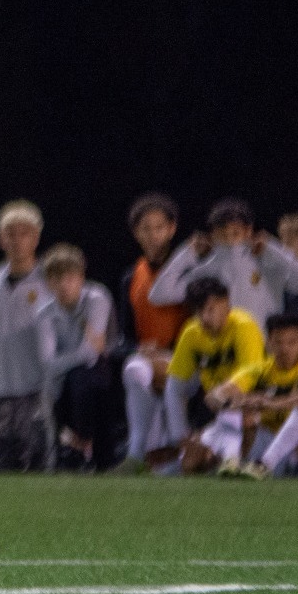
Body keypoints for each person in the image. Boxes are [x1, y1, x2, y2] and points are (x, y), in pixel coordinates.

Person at [199, 313, 298, 478]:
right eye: (278, 342)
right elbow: (214, 396)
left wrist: (274, 403)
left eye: (291, 342)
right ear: (269, 342)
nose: (284, 348)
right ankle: (231, 462)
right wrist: (238, 403)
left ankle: (265, 465)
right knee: (229, 406)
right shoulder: (259, 369)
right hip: (269, 440)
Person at [0, 201, 52, 473]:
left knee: (36, 470)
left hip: (35, 393)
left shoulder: (48, 280)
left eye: (24, 232)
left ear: (37, 237)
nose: (17, 240)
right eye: (10, 233)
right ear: (0, 239)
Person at [148, 197, 298, 321]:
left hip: (262, 353)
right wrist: (187, 253)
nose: (230, 235)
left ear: (249, 229)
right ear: (213, 232)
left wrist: (273, 249)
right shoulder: (206, 270)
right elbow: (158, 295)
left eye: (237, 229)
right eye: (223, 230)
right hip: (222, 357)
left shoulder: (268, 263)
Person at [163, 277, 266, 475]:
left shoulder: (243, 324)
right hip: (221, 417)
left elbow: (253, 370)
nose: (204, 318)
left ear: (226, 303)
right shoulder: (192, 333)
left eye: (210, 309)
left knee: (234, 406)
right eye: (198, 311)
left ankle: (233, 461)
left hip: (259, 415)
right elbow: (175, 386)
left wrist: (225, 389)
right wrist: (181, 436)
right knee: (190, 464)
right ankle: (227, 462)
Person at [115, 193, 188, 470]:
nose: (153, 235)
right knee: (133, 370)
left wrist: (172, 354)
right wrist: (139, 350)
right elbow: (125, 337)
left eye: (159, 227)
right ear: (136, 233)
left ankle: (178, 447)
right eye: (146, 228)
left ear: (172, 229)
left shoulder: (188, 270)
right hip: (147, 357)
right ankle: (134, 454)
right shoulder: (130, 276)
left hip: (185, 358)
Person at [35, 244, 120, 471]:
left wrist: (59, 364)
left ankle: (84, 444)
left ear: (81, 277)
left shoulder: (97, 298)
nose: (64, 285)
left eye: (70, 277)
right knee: (53, 391)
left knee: (81, 379)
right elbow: (46, 363)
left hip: (102, 374)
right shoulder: (43, 312)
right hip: (61, 384)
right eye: (56, 278)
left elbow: (90, 353)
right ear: (47, 281)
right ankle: (70, 449)